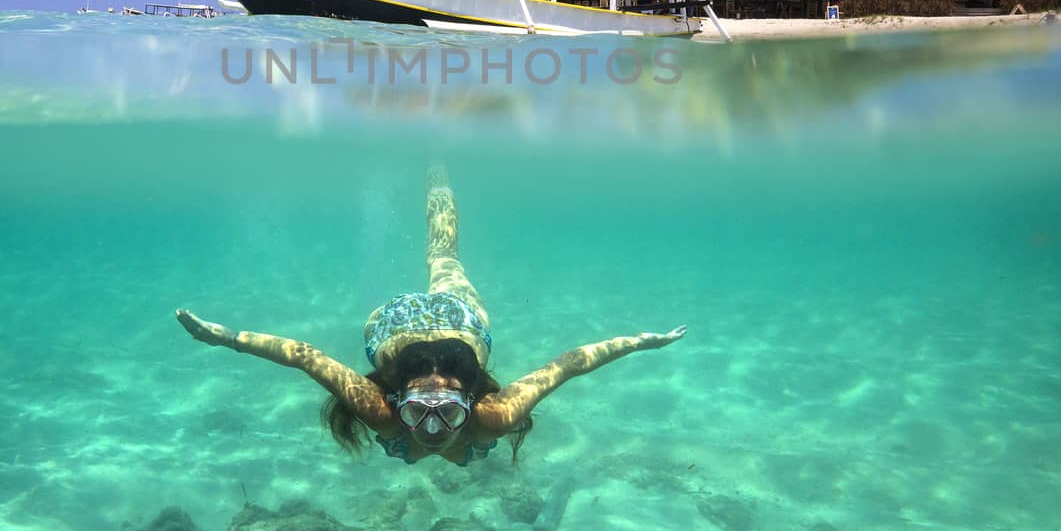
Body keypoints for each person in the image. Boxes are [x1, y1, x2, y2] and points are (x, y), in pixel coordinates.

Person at [175, 167, 686, 465]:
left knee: (443, 257)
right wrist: (227, 337)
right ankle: (437, 176)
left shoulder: (406, 414)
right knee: (444, 259)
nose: (433, 427)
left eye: (443, 412)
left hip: (409, 328)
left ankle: (438, 176)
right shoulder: (464, 418)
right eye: (420, 412)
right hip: (444, 321)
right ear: (400, 398)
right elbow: (570, 363)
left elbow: (572, 364)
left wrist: (640, 342)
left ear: (469, 399)